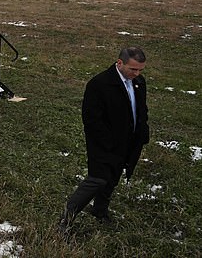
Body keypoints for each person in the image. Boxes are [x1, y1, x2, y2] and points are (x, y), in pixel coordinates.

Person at [59, 47, 149, 234]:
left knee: (113, 178)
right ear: (119, 63)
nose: (137, 73)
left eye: (140, 69)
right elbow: (91, 119)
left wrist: (142, 133)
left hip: (128, 144)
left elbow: (141, 110)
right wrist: (107, 143)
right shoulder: (99, 84)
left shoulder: (139, 82)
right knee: (97, 179)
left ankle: (100, 211)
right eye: (133, 69)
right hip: (104, 144)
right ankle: (66, 219)